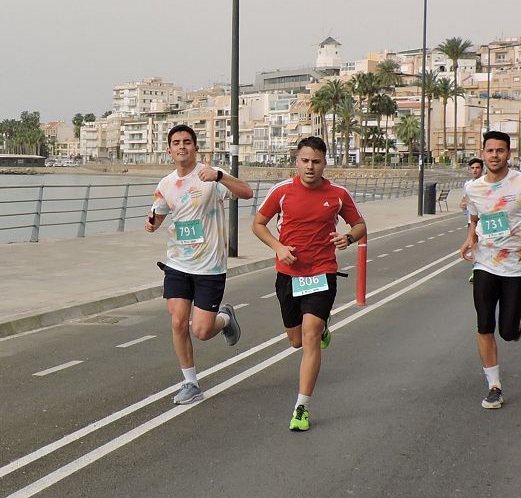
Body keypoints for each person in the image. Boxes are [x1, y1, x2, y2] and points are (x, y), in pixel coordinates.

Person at [252, 136, 367, 432]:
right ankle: (321, 325)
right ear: (297, 161)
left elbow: (359, 225)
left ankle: (301, 407)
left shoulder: (338, 194)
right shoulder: (281, 191)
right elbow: (258, 224)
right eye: (305, 161)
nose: (310, 167)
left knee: (311, 334)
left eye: (316, 161)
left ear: (325, 163)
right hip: (288, 275)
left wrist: (349, 237)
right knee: (296, 340)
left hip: (322, 272)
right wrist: (278, 248)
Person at [146, 124, 254, 404]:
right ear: (169, 150)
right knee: (178, 321)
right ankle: (190, 383)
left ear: (195, 147)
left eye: (187, 142)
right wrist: (151, 223)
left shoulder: (210, 176)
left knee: (202, 330)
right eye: (176, 143)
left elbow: (247, 192)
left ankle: (226, 318)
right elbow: (157, 218)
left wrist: (219, 176)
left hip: (209, 267)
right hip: (178, 263)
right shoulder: (166, 184)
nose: (182, 146)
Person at [459, 130, 521, 410]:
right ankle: (494, 386)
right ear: (483, 152)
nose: (494, 156)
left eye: (500, 151)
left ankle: (514, 325)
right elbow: (475, 218)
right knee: (484, 324)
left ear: (508, 154)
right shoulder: (473, 188)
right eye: (490, 151)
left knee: (507, 330)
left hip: (517, 265)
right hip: (486, 262)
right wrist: (469, 239)